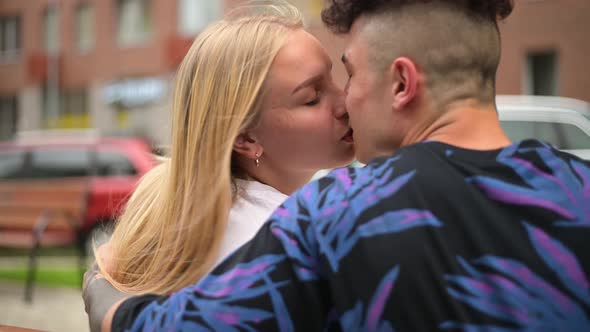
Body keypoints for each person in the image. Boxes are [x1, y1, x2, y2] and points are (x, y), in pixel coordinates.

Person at [85, 0, 590, 331]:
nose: (345, 100)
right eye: (313, 95)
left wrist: (98, 289)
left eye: (347, 73)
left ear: (401, 83)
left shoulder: (339, 213)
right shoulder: (580, 189)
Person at [85, 3, 354, 329]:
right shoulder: (272, 241)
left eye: (337, 78)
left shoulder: (188, 201)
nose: (344, 101)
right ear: (246, 139)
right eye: (312, 97)